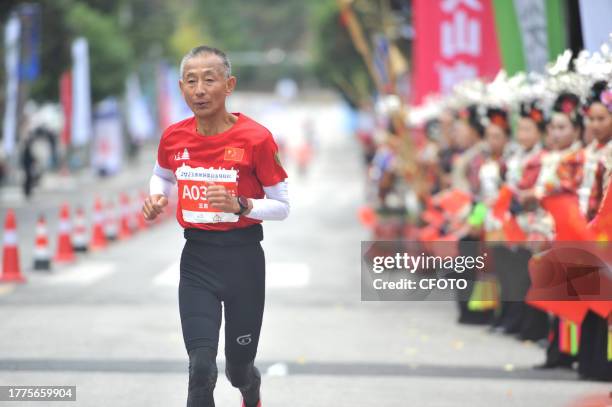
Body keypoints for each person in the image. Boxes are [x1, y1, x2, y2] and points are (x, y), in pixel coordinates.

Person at [142, 45, 290, 407]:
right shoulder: (174, 137)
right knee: (201, 368)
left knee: (237, 370)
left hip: (244, 261)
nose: (200, 89)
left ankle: (250, 393)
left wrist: (242, 205)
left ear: (229, 85)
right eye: (191, 81)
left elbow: (283, 207)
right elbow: (161, 176)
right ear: (181, 88)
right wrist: (157, 197)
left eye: (210, 80)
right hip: (197, 260)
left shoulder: (256, 138)